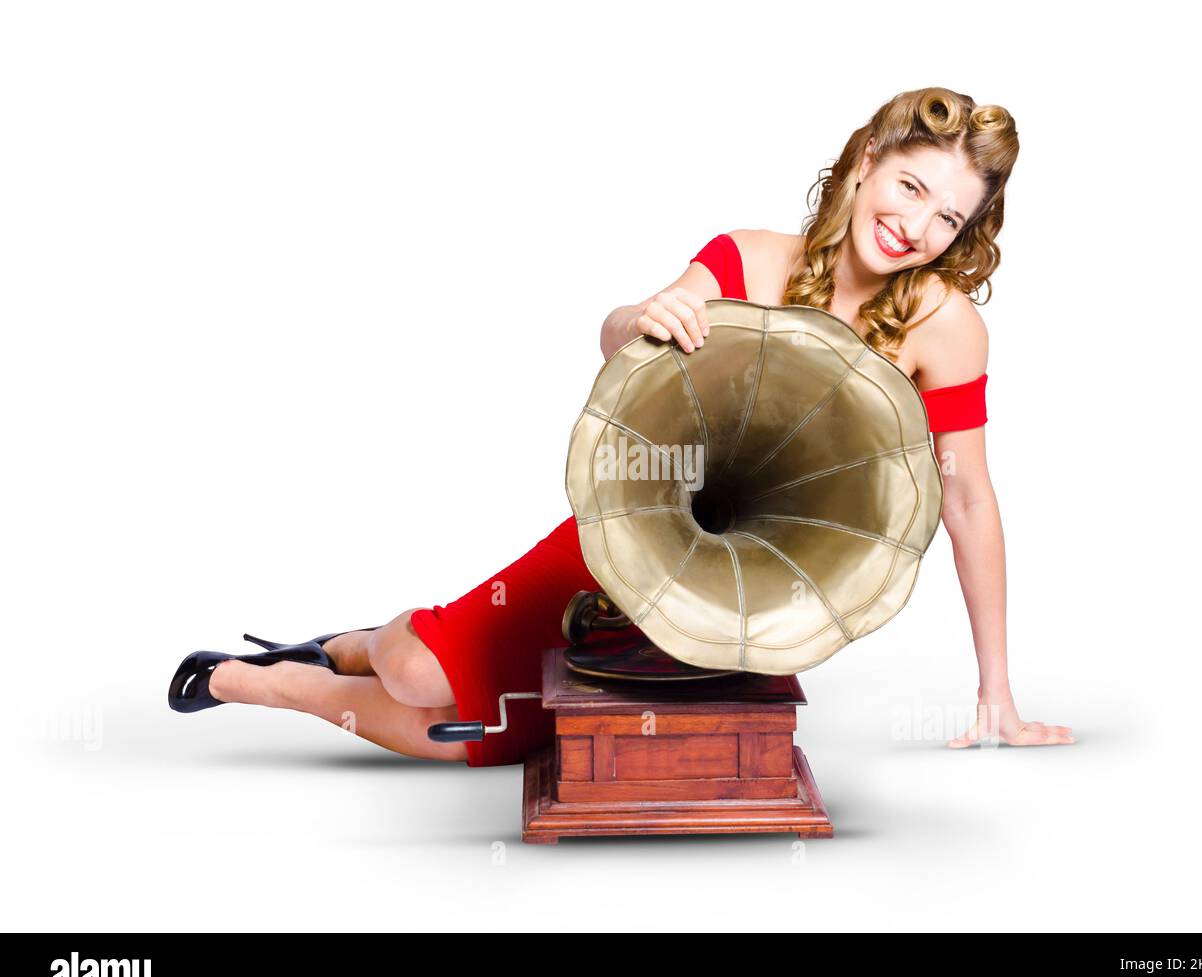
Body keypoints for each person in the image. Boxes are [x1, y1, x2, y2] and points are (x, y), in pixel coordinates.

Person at [168, 86, 1073, 763]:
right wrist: (637, 316)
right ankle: (331, 653)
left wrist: (996, 691)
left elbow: (965, 496)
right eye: (910, 186)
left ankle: (261, 680)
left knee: (474, 742)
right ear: (868, 156)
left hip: (746, 598)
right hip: (626, 539)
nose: (916, 226)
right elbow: (621, 347)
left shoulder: (946, 325)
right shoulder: (746, 256)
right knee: (418, 676)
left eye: (948, 216)